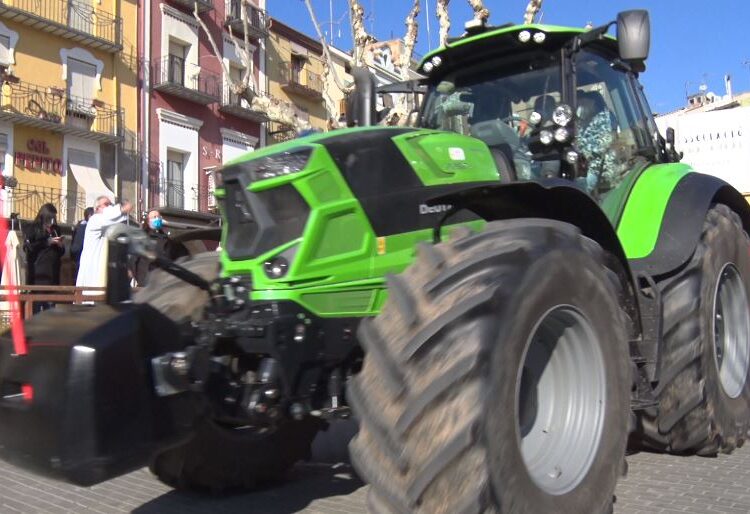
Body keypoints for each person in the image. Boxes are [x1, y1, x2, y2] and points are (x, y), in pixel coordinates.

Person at [76, 195, 132, 295]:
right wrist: (122, 208)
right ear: (97, 209)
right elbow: (110, 216)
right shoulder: (95, 220)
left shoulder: (110, 227)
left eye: (111, 204)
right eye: (106, 204)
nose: (110, 207)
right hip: (93, 273)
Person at [129, 208, 187, 286]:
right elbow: (133, 262)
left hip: (165, 284)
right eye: (154, 217)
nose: (157, 219)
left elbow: (183, 257)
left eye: (159, 217)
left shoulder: (169, 240)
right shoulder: (142, 239)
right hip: (146, 284)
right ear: (148, 221)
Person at [23, 203, 64, 313]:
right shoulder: (33, 228)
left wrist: (60, 246)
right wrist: (47, 242)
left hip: (53, 273)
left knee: (50, 306)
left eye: (54, 218)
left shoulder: (56, 229)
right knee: (37, 304)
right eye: (50, 218)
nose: (52, 221)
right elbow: (29, 248)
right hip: (38, 274)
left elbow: (61, 252)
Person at [576, 90, 617, 196]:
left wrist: (585, 153)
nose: (581, 107)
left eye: (584, 104)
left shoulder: (606, 117)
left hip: (600, 165)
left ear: (593, 103)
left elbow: (605, 141)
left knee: (580, 187)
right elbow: (578, 140)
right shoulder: (583, 122)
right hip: (585, 166)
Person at [70, 206, 94, 281]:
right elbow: (76, 247)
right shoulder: (84, 228)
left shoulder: (79, 226)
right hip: (82, 260)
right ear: (90, 216)